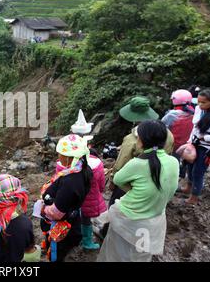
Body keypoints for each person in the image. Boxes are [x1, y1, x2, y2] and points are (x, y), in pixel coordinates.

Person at [97, 120, 179, 262]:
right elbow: (170, 190)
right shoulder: (173, 162)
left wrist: (135, 188)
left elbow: (117, 179)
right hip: (155, 216)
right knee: (140, 253)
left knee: (117, 251)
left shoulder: (137, 163)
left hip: (127, 216)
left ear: (141, 140)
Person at [108, 96, 174, 207]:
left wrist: (112, 180)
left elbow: (121, 164)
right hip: (158, 181)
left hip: (133, 183)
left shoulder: (132, 139)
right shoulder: (168, 134)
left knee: (116, 206)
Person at [39, 134, 92, 262]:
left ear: (69, 157)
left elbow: (57, 213)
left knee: (56, 254)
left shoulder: (70, 182)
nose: (58, 157)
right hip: (73, 217)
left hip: (62, 226)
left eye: (60, 154)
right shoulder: (83, 169)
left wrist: (43, 208)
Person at [69, 110, 106, 250]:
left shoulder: (64, 162)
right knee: (86, 220)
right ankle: (87, 242)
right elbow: (101, 184)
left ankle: (74, 239)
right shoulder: (96, 163)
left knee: (72, 217)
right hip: (88, 198)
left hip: (71, 198)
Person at [182, 89, 210, 205]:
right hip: (194, 143)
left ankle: (194, 196)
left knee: (198, 171)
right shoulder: (198, 109)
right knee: (189, 166)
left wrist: (207, 138)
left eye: (203, 102)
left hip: (207, 147)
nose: (200, 105)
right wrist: (189, 141)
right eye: (198, 102)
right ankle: (188, 187)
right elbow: (194, 128)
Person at [162, 89, 194, 179]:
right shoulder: (193, 112)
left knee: (172, 163)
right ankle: (181, 177)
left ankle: (172, 181)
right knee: (182, 162)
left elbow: (161, 128)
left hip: (173, 145)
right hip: (186, 145)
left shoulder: (171, 115)